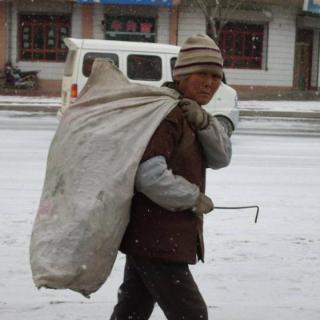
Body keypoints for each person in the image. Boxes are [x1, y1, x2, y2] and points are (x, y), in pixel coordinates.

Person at [110, 34, 232, 320]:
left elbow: (221, 158)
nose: (210, 83)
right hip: (158, 239)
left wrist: (204, 123)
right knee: (192, 315)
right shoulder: (167, 115)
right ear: (181, 75)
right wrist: (193, 197)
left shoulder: (190, 114)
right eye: (202, 74)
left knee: (132, 310)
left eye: (216, 76)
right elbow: (149, 176)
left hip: (152, 238)